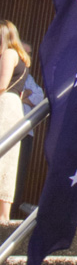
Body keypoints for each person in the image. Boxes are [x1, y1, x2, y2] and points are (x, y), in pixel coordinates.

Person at [0, 19, 31, 223]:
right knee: (7, 161)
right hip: (13, 106)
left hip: (4, 105)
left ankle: (3, 215)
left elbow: (2, 84)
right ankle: (4, 214)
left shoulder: (9, 54)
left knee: (4, 159)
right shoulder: (20, 56)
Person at [14, 41, 44, 215]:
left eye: (30, 53)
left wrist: (20, 96)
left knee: (19, 174)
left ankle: (10, 213)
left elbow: (39, 97)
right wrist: (22, 97)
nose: (27, 57)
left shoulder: (29, 79)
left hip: (25, 133)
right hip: (7, 130)